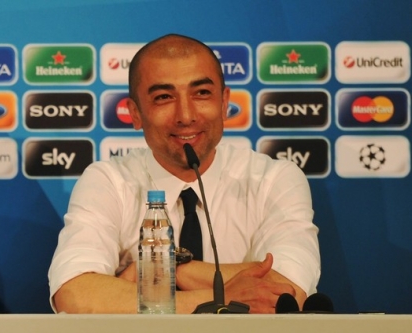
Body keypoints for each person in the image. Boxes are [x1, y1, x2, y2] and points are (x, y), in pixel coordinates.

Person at [48, 33, 320, 314]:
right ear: (135, 113)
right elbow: (75, 295)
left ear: (224, 102)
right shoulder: (108, 181)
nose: (186, 115)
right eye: (164, 97)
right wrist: (224, 300)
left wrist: (162, 269)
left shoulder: (274, 179)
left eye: (201, 93)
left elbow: (285, 293)